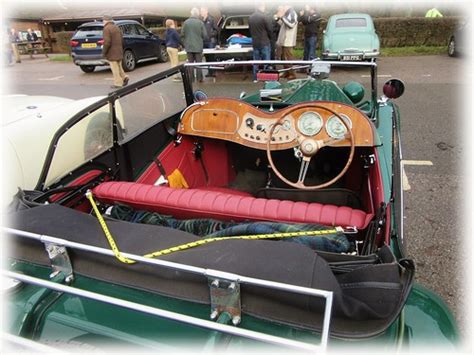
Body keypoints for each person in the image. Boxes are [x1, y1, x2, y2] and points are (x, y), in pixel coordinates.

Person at [102, 15, 129, 89]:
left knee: (115, 69)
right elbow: (122, 39)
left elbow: (107, 42)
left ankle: (118, 83)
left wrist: (104, 52)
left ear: (106, 21)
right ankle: (124, 78)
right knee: (119, 67)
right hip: (119, 51)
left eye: (103, 21)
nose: (102, 22)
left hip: (112, 53)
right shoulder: (116, 27)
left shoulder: (106, 29)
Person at [181, 7, 207, 82]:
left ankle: (191, 79)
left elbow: (182, 35)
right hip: (198, 47)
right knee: (199, 63)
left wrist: (185, 44)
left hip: (189, 47)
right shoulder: (200, 23)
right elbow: (205, 35)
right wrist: (200, 40)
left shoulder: (186, 22)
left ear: (191, 13)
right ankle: (199, 78)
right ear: (197, 14)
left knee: (190, 64)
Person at [248, 3, 273, 82]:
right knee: (266, 61)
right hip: (264, 42)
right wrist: (271, 38)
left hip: (255, 42)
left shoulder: (250, 18)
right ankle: (266, 78)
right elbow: (270, 29)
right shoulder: (264, 17)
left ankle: (255, 78)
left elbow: (250, 30)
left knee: (256, 61)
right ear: (262, 7)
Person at [275, 5, 298, 80]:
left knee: (288, 57)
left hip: (288, 40)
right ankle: (286, 72)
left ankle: (292, 74)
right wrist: (278, 18)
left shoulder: (292, 13)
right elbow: (283, 24)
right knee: (284, 58)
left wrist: (282, 17)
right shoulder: (287, 14)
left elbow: (291, 25)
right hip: (284, 40)